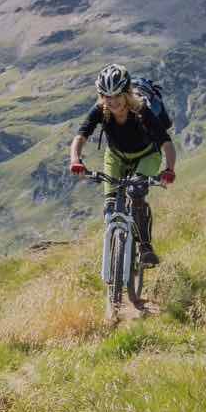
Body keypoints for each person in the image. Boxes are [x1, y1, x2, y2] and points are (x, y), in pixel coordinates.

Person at [68, 63, 176, 265]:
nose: (113, 101)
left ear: (126, 93)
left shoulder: (142, 111)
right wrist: (75, 159)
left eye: (117, 95)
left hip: (147, 156)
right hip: (116, 157)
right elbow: (81, 136)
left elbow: (166, 142)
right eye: (107, 96)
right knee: (109, 206)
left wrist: (169, 169)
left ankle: (145, 248)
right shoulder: (100, 110)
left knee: (136, 194)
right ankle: (115, 252)